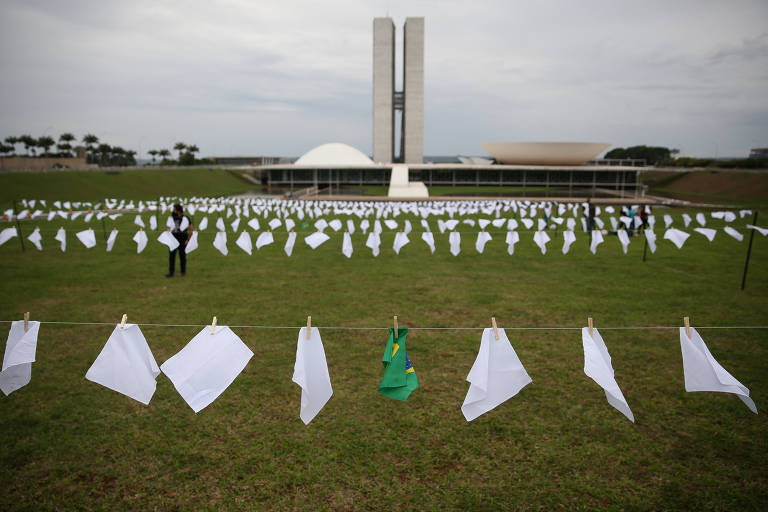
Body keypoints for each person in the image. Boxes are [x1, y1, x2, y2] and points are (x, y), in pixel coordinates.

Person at [166, 204, 193, 277]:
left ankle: (183, 272)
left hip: (182, 239)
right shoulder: (171, 217)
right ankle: (171, 272)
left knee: (182, 256)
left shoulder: (185, 218)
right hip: (173, 240)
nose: (173, 211)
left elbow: (191, 229)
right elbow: (168, 228)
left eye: (174, 209)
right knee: (171, 256)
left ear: (178, 210)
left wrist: (188, 239)